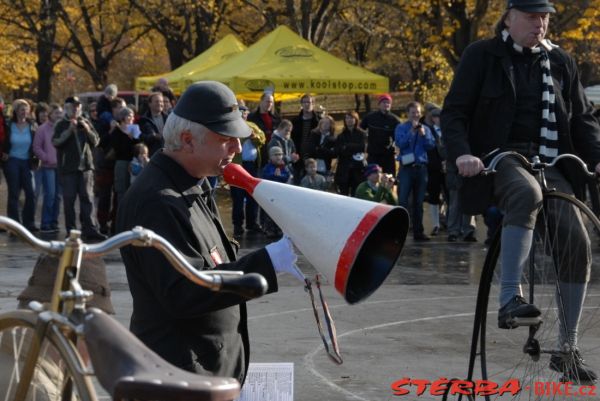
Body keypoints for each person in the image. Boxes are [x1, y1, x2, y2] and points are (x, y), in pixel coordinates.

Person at [441, 0, 600, 382]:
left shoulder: (561, 61)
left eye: (544, 17)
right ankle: (510, 297)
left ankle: (567, 347)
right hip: (500, 159)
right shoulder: (482, 55)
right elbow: (454, 113)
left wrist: (596, 157)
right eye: (531, 16)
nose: (540, 23)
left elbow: (582, 119)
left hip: (552, 161)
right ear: (509, 17)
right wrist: (463, 154)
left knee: (577, 240)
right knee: (527, 194)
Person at [116, 81, 302, 385]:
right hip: (179, 376)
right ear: (188, 140)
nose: (238, 148)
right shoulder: (156, 201)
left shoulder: (194, 183)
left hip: (207, 369)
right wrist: (267, 263)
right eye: (226, 139)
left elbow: (214, 262)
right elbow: (183, 293)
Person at [53, 96, 106, 241]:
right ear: (67, 108)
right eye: (72, 106)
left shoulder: (86, 121)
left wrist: (87, 129)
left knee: (88, 199)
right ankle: (71, 231)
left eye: (78, 106)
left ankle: (90, 229)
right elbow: (56, 142)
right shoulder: (61, 124)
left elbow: (96, 141)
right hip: (68, 169)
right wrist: (69, 130)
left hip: (86, 168)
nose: (76, 109)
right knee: (69, 200)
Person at [395, 101, 436, 241]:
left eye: (418, 112)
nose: (416, 114)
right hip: (406, 168)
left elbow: (431, 146)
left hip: (421, 168)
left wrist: (423, 134)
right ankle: (400, 231)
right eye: (413, 112)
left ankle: (418, 232)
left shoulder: (426, 128)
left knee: (418, 203)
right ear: (408, 113)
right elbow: (400, 143)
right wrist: (411, 133)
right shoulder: (401, 127)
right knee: (403, 200)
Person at [2, 99, 38, 232]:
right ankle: (14, 224)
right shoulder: (8, 125)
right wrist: (3, 152)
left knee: (30, 192)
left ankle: (29, 222)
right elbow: (2, 139)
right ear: (16, 111)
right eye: (22, 109)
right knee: (14, 193)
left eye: (26, 109)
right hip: (12, 160)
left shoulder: (32, 126)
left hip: (27, 162)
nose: (24, 112)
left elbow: (37, 143)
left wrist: (37, 158)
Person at [230, 104, 265, 237]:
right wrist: (245, 136)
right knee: (238, 197)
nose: (243, 114)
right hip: (238, 165)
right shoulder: (232, 126)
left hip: (253, 165)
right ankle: (238, 225)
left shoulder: (252, 125)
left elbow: (262, 138)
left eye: (245, 112)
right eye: (241, 112)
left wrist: (254, 137)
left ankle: (252, 223)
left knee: (253, 195)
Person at [33, 103, 63, 233]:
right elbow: (36, 147)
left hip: (61, 167)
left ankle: (54, 222)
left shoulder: (63, 127)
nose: (59, 115)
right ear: (50, 114)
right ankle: (45, 223)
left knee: (58, 196)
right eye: (56, 113)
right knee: (50, 194)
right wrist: (47, 158)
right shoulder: (42, 129)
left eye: (60, 113)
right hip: (48, 167)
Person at [360, 93, 401, 175]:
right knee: (372, 177)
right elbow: (360, 130)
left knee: (389, 179)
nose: (386, 104)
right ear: (379, 104)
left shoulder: (395, 120)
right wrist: (365, 139)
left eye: (388, 102)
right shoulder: (370, 117)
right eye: (384, 102)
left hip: (388, 155)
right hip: (373, 154)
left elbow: (399, 138)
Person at [110, 107, 140, 206]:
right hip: (122, 162)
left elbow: (140, 146)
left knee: (133, 191)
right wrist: (126, 136)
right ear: (123, 118)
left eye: (132, 116)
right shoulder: (117, 131)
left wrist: (134, 138)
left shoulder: (135, 129)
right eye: (129, 116)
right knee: (121, 191)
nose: (132, 118)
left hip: (134, 162)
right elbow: (118, 148)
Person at [335, 111, 368, 196]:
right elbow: (339, 150)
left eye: (351, 118)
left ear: (356, 119)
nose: (349, 120)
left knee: (356, 193)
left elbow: (362, 147)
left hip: (358, 168)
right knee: (343, 194)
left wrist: (347, 146)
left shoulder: (362, 134)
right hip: (344, 168)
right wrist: (353, 147)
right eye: (347, 118)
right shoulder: (341, 135)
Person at [262, 145, 292, 238]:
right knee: (269, 213)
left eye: (280, 154)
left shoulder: (284, 167)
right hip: (270, 194)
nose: (279, 156)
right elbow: (266, 176)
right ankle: (268, 229)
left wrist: (279, 176)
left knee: (279, 212)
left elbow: (286, 176)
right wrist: (275, 176)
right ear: (271, 157)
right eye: (276, 154)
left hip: (280, 194)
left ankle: (279, 229)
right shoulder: (268, 167)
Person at [290, 93, 320, 183]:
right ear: (301, 104)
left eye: (309, 102)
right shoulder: (295, 121)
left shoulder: (319, 121)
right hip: (298, 155)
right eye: (305, 102)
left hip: (314, 156)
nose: (307, 104)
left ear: (313, 104)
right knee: (297, 182)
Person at [248, 92, 280, 167]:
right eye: (268, 101)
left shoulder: (276, 118)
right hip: (258, 152)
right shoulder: (252, 117)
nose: (270, 104)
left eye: (271, 102)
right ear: (261, 101)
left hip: (273, 151)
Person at [306, 114, 337, 179]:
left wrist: (319, 149)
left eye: (328, 123)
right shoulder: (313, 134)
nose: (325, 124)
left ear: (331, 125)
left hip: (325, 166)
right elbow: (310, 149)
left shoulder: (333, 138)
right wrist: (324, 151)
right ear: (320, 124)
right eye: (323, 122)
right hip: (312, 165)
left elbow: (334, 154)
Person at [139, 92, 168, 156]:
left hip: (167, 154)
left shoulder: (169, 118)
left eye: (161, 101)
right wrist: (153, 137)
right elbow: (140, 137)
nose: (160, 103)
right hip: (152, 154)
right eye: (157, 101)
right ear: (150, 104)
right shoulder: (143, 120)